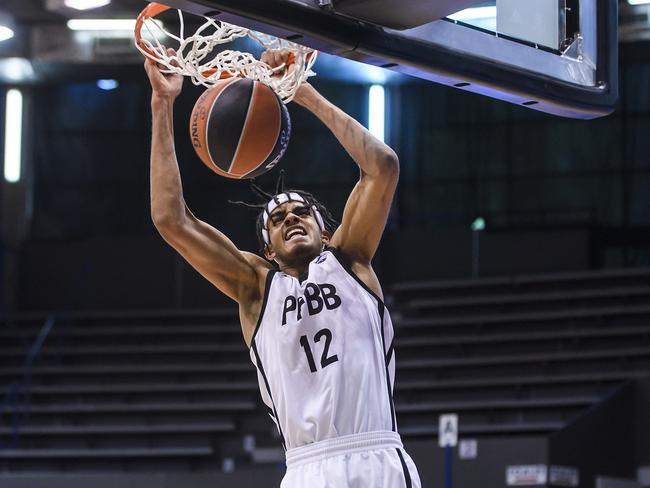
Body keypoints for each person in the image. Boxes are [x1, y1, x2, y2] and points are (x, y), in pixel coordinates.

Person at [144, 49, 421, 488]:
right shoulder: (255, 288)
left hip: (376, 456)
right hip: (307, 468)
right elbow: (170, 220)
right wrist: (163, 103)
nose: (290, 218)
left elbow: (382, 167)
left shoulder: (350, 260)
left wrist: (300, 91)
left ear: (325, 232)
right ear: (268, 250)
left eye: (300, 212)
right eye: (277, 219)